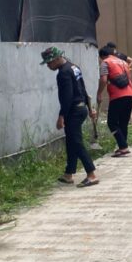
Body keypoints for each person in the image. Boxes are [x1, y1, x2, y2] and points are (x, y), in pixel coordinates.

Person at [41, 47, 99, 187]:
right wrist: (89, 107)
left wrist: (61, 116)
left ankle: (91, 174)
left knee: (76, 142)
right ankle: (68, 174)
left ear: (57, 59)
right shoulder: (74, 67)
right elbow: (83, 88)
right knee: (71, 142)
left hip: (73, 111)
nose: (48, 66)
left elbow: (67, 97)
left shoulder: (63, 73)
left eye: (49, 62)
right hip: (81, 108)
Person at [97, 46, 132, 157]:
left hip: (117, 96)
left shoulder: (105, 62)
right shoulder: (123, 62)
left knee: (112, 122)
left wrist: (99, 93)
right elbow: (129, 77)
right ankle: (123, 146)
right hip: (130, 94)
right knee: (123, 122)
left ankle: (123, 147)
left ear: (102, 56)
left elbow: (104, 79)